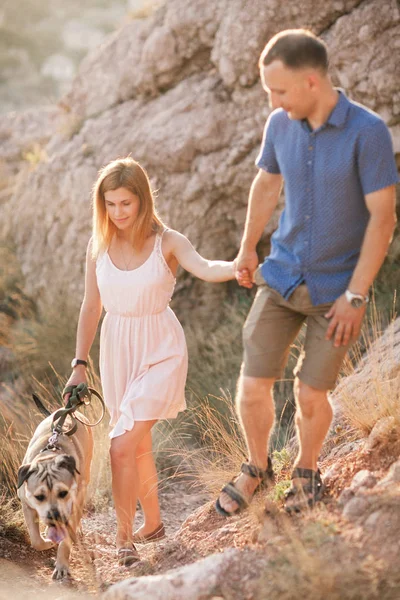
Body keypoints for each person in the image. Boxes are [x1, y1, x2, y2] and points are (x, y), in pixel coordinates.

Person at [216, 29, 398, 517]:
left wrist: (356, 295)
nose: (272, 101)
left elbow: (383, 219)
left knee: (310, 391)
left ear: (311, 81)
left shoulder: (368, 132)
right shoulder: (279, 124)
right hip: (281, 275)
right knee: (252, 383)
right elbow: (266, 181)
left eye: (279, 90)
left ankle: (307, 471)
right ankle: (258, 467)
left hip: (337, 291)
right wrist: (248, 247)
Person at [65, 157, 236, 565]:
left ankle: (125, 542)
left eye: (127, 203)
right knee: (135, 441)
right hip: (116, 347)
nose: (119, 213)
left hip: (160, 347)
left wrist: (239, 269)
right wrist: (79, 363)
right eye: (111, 204)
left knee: (121, 445)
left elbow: (207, 267)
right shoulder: (98, 245)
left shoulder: (169, 241)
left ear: (143, 200)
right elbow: (91, 307)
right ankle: (154, 524)